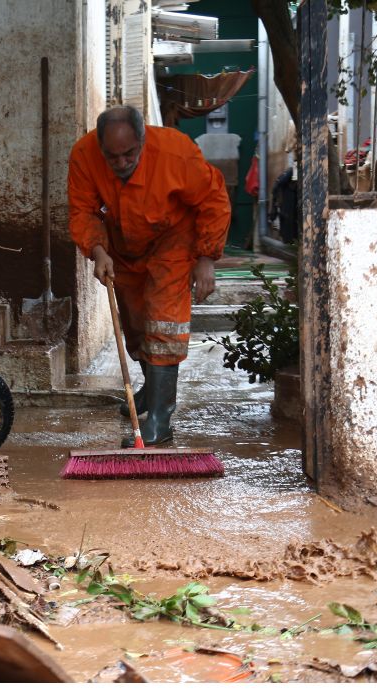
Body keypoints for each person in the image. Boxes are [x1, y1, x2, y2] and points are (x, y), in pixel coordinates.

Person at [68, 105, 231, 445]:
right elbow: (82, 211)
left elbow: (213, 199)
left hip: (173, 240)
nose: (122, 163)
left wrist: (206, 258)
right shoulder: (83, 156)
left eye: (130, 154)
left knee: (163, 321)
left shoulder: (176, 153)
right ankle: (149, 391)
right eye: (113, 157)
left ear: (143, 140)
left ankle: (160, 418)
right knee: (137, 324)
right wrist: (98, 251)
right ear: (100, 148)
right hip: (123, 245)